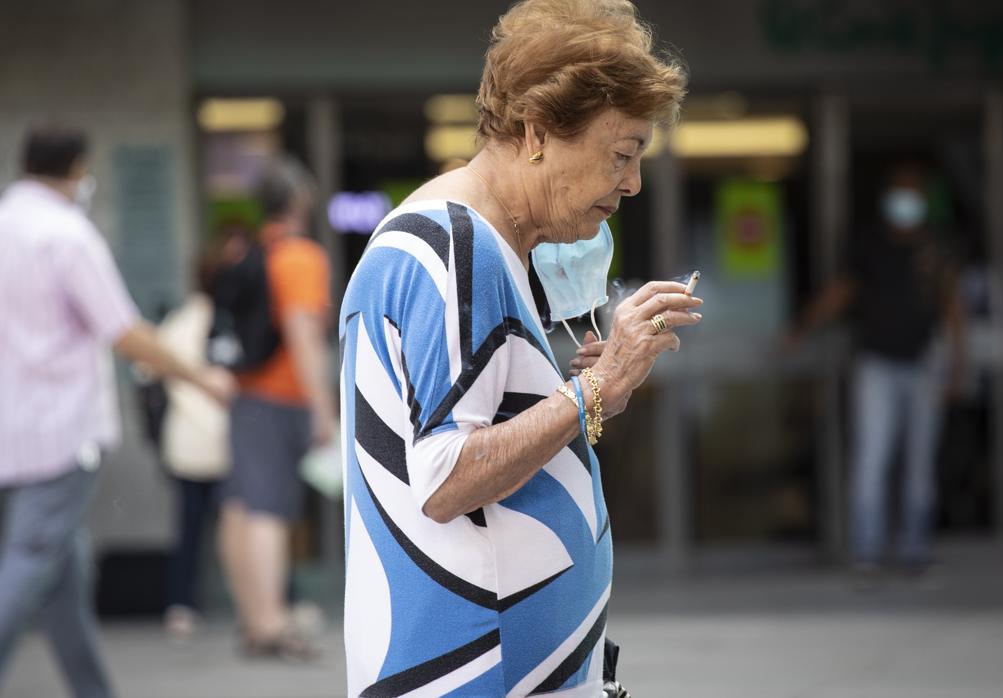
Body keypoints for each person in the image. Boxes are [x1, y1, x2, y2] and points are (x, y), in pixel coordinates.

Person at [339, 1, 695, 695]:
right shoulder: (457, 248)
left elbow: (477, 434)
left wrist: (589, 394)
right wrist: (590, 390)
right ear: (537, 132)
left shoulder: (478, 246)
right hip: (474, 670)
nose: (632, 183)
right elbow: (444, 480)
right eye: (621, 155)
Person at [0, 125, 234, 698]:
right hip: (61, 434)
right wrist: (200, 378)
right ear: (78, 170)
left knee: (63, 567)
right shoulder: (67, 236)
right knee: (30, 557)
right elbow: (125, 332)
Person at [785, 161, 967, 583]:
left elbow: (953, 308)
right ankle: (866, 552)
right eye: (898, 192)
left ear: (923, 199)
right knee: (872, 460)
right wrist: (801, 328)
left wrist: (959, 366)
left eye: (912, 193)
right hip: (877, 366)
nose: (904, 203)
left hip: (923, 365)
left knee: (920, 464)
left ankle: (914, 550)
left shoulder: (937, 248)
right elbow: (840, 294)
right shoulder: (869, 245)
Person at [216, 159, 336, 659]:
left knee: (240, 506)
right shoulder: (301, 257)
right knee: (268, 510)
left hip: (245, 395)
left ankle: (251, 617)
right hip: (281, 397)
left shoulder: (252, 253)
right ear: (299, 203)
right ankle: (270, 624)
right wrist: (323, 409)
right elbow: (303, 335)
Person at [155, 245, 235, 641]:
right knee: (242, 525)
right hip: (226, 443)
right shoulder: (227, 320)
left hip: (185, 442)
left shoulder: (177, 320)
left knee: (188, 529)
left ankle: (181, 604)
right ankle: (263, 600)